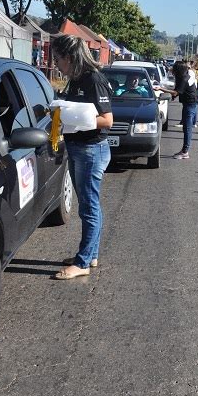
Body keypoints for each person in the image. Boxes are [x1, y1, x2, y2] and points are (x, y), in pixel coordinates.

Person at [52, 35, 113, 280]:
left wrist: (75, 122)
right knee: (90, 206)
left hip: (91, 150)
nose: (55, 64)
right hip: (79, 148)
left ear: (69, 57)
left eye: (57, 59)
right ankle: (91, 253)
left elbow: (107, 120)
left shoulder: (93, 79)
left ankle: (83, 261)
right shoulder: (74, 79)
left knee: (88, 208)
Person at [169, 61, 198, 160]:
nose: (173, 70)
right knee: (186, 127)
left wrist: (161, 89)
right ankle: (184, 151)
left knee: (187, 128)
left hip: (190, 104)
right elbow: (177, 91)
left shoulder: (185, 78)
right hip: (189, 103)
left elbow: (175, 92)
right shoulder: (183, 77)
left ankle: (185, 152)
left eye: (175, 68)